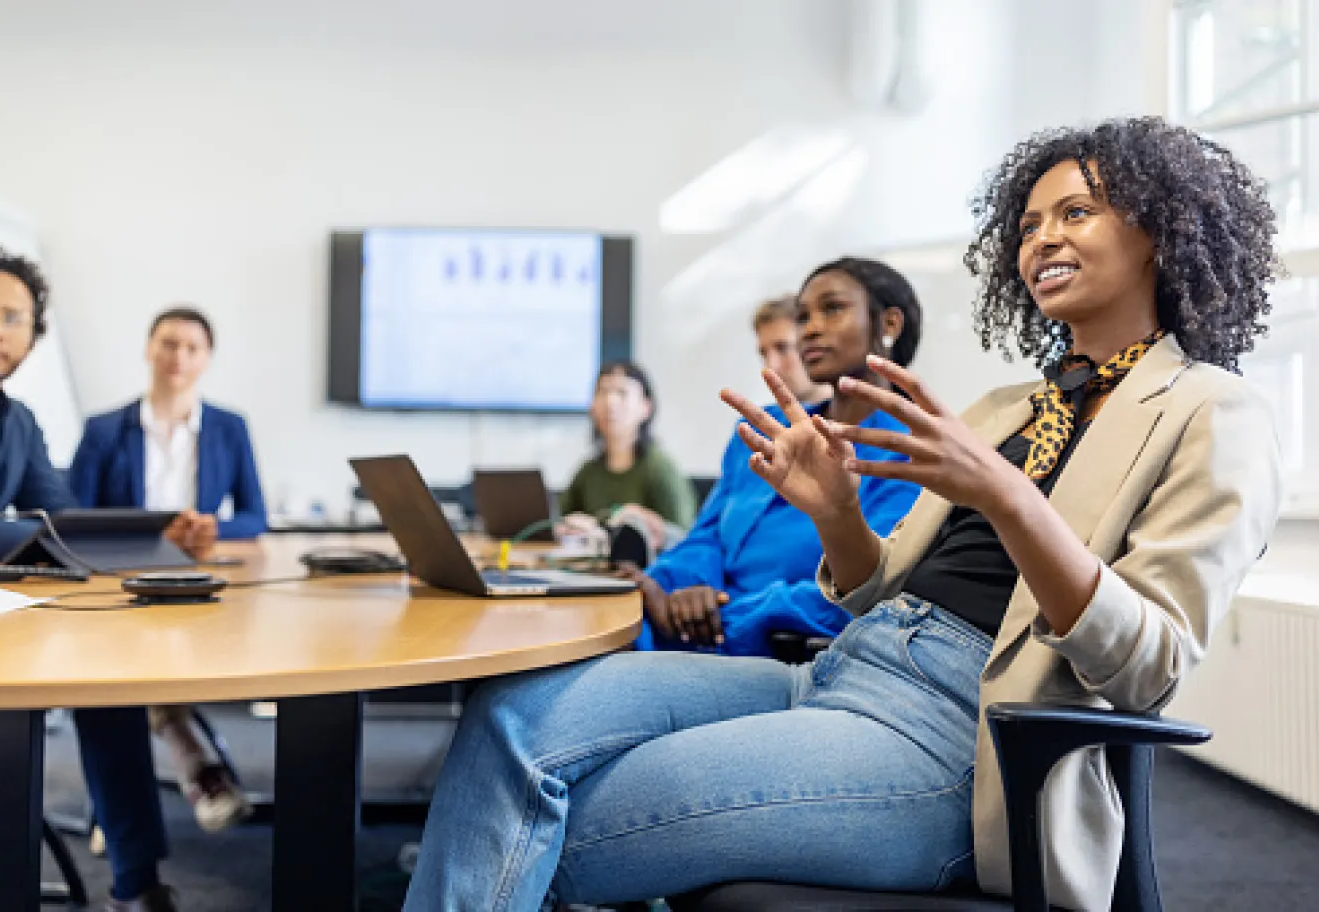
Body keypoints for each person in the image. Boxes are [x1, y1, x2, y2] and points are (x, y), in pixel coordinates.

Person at [400, 117, 1283, 912]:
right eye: (1029, 224)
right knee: (512, 717)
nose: (1042, 237)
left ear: (1162, 233)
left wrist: (1010, 499)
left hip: (959, 732)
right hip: (844, 667)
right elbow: (874, 592)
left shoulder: (1213, 411)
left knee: (551, 830)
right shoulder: (1007, 409)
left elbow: (1150, 665)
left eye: (1077, 213)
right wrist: (835, 517)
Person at [0, 246, 181, 911]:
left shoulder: (18, 423)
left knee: (108, 679)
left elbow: (60, 516)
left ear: (33, 336)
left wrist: (161, 537)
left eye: (12, 318)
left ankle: (136, 881)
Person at [630, 258, 923, 655]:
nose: (812, 328)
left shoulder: (910, 453)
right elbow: (707, 536)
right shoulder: (763, 430)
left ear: (888, 325)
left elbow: (869, 590)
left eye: (832, 308)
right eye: (802, 317)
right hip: (688, 629)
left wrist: (723, 613)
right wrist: (681, 587)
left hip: (775, 651)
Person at [69, 306, 264, 835]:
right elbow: (71, 515)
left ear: (207, 359)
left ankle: (123, 802)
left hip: (200, 583)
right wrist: (147, 534)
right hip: (119, 583)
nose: (178, 357)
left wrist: (211, 529)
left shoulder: (229, 427)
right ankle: (195, 770)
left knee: (162, 661)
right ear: (149, 349)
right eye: (168, 344)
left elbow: (256, 513)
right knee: (141, 662)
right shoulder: (104, 429)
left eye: (191, 347)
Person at [555, 361, 697, 555]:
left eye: (622, 393)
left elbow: (689, 538)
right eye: (602, 392)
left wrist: (653, 527)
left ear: (646, 407)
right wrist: (571, 527)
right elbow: (556, 522)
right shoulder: (588, 471)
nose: (610, 402)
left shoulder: (660, 469)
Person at [754, 293, 832, 404]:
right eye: (764, 354)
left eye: (783, 348)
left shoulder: (861, 415)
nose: (771, 366)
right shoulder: (755, 420)